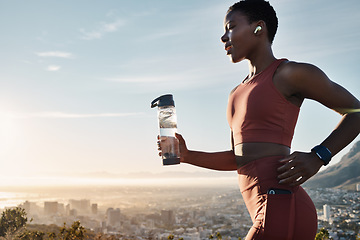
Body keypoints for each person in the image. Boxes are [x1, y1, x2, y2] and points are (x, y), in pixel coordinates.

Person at [157, 0, 360, 239]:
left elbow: (356, 113)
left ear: (258, 28)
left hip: (282, 204)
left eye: (231, 27)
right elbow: (240, 159)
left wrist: (319, 155)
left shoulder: (289, 74)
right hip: (266, 209)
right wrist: (188, 156)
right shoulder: (235, 94)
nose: (223, 37)